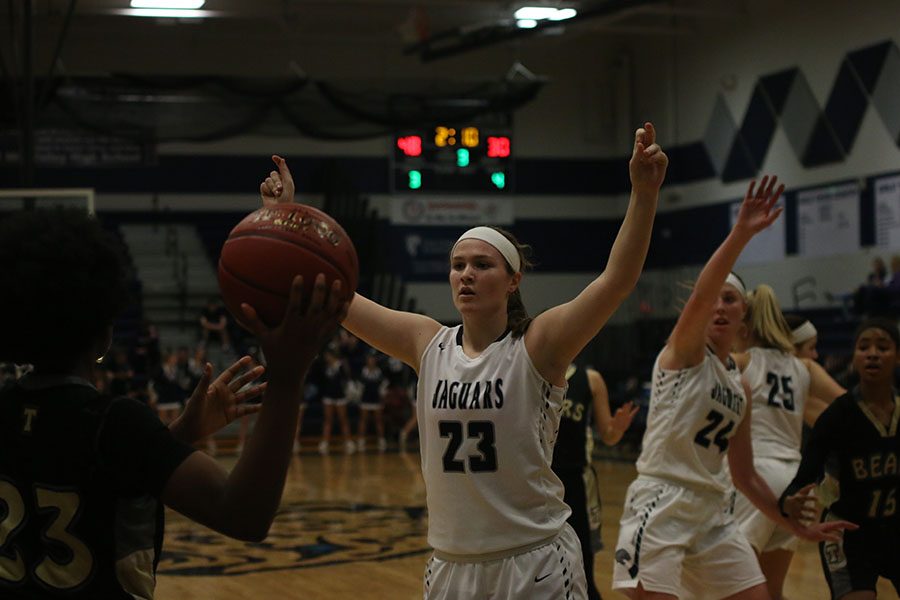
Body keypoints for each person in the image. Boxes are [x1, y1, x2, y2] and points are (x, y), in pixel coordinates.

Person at [261, 121, 668, 599]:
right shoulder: (425, 341)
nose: (466, 275)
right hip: (451, 564)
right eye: (458, 265)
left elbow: (615, 281)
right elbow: (338, 296)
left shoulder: (538, 345)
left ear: (513, 279)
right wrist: (285, 219)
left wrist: (643, 193)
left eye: (482, 264)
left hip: (534, 559)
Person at [0, 208, 346, 599]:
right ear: (105, 332)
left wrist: (181, 435)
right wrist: (286, 376)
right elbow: (244, 514)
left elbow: (97, 475)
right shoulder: (114, 423)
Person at [612, 176, 855, 600]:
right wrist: (741, 232)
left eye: (731, 300)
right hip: (662, 500)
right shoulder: (683, 353)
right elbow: (704, 293)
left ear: (744, 315)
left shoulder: (739, 384)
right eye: (714, 300)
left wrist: (796, 525)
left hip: (713, 510)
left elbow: (744, 475)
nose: (719, 306)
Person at [731, 285, 846, 600]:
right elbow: (851, 407)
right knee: (773, 589)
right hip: (797, 482)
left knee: (729, 588)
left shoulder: (739, 362)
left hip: (755, 478)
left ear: (744, 327)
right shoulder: (804, 367)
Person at [780, 318, 900, 599]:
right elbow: (800, 481)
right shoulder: (836, 416)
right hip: (849, 535)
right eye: (863, 347)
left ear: (897, 356)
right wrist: (789, 502)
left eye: (882, 347)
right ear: (854, 358)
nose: (872, 353)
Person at [551, 364, 638, 600]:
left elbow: (608, 435)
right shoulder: (532, 368)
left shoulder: (590, 379)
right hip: (539, 480)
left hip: (578, 479)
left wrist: (617, 429)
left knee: (583, 560)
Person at [317, 348, 356, 455]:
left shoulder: (341, 365)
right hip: (328, 396)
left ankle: (348, 441)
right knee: (328, 419)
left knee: (343, 419)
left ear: (332, 355)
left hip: (340, 396)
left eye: (328, 355)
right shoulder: (325, 367)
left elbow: (347, 378)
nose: (326, 358)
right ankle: (325, 442)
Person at [357, 351, 388, 452]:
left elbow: (383, 387)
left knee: (378, 420)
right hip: (365, 399)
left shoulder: (379, 373)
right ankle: (361, 440)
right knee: (363, 420)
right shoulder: (363, 372)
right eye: (369, 359)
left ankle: (381, 440)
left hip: (376, 399)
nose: (371, 361)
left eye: (373, 359)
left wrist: (382, 398)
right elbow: (359, 387)